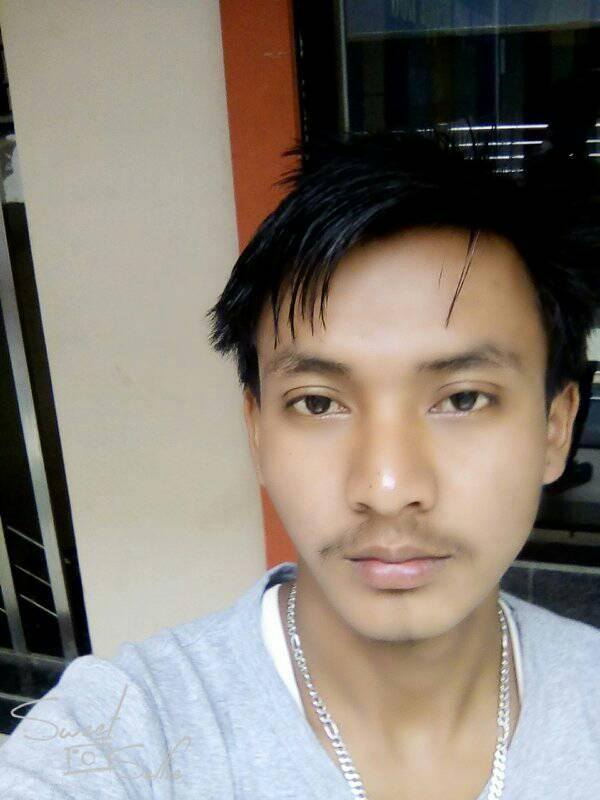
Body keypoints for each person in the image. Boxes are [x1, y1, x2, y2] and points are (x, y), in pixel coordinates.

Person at [0, 133, 599, 800]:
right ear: (257, 432)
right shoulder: (125, 732)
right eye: (318, 403)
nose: (387, 488)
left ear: (555, 428)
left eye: (462, 399)